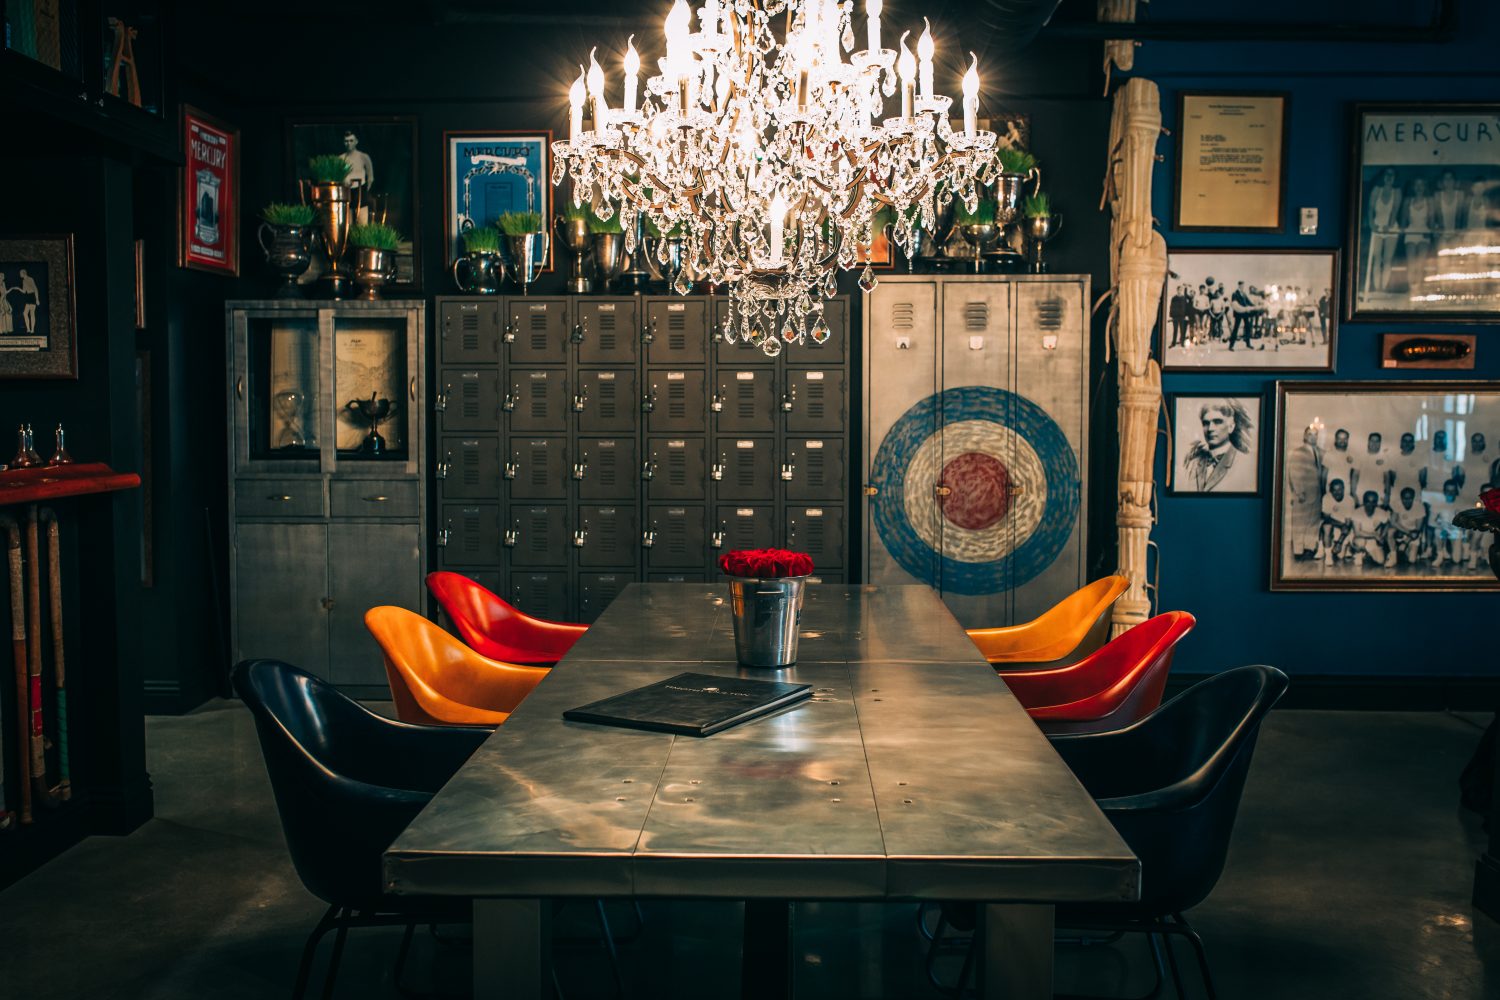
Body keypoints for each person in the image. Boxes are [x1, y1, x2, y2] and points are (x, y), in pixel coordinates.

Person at [1182, 399, 1256, 493]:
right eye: (1206, 423)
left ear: (1231, 427)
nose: (1210, 429)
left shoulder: (1245, 464)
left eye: (1217, 422)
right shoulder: (1193, 465)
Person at [1285, 423, 1325, 559]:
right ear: (1304, 436)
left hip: (1317, 494)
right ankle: (1298, 552)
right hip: (1303, 494)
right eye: (1310, 435)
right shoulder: (1299, 452)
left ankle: (1309, 549)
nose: (1313, 438)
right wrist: (1299, 492)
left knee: (1313, 523)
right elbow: (1294, 472)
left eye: (1315, 435)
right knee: (1300, 523)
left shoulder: (1319, 452)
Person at [1365, 168, 1403, 295]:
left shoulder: (1397, 192)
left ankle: (1384, 288)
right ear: (1383, 176)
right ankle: (1377, 288)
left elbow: (1395, 210)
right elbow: (1370, 209)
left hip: (1391, 227)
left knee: (1387, 260)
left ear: (1395, 177)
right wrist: (1372, 224)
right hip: (1377, 226)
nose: (1389, 177)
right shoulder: (1376, 190)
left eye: (1392, 175)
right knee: (1377, 259)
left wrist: (1389, 225)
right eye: (1387, 174)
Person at [1401, 176, 1434, 292]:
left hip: (1424, 232)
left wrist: (1431, 230)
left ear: (1425, 187)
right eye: (1417, 185)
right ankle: (1411, 289)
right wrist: (1402, 229)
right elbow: (1403, 221)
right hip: (1411, 232)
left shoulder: (1429, 201)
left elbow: (1431, 221)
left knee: (1420, 264)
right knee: (1411, 263)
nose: (1419, 187)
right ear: (1413, 187)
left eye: (1422, 185)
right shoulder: (1408, 201)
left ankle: (1418, 290)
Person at [1349, 489, 1392, 568]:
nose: (1370, 505)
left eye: (1373, 502)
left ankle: (1367, 553)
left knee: (1380, 561)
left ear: (1376, 503)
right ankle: (1358, 554)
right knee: (1361, 541)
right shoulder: (1357, 512)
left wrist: (1382, 535)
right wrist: (1375, 535)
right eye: (1368, 502)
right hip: (1360, 538)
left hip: (1373, 540)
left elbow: (1387, 524)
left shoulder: (1381, 512)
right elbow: (1357, 532)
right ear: (1364, 502)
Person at [1388, 486, 1430, 565]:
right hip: (1401, 530)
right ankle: (1393, 555)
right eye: (1404, 498)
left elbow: (1417, 530)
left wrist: (1405, 542)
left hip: (1413, 534)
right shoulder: (1397, 504)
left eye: (1410, 498)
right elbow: (1393, 522)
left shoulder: (1420, 507)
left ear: (1413, 498)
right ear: (1401, 498)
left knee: (1412, 560)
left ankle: (1405, 549)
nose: (1407, 501)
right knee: (1390, 531)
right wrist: (1406, 532)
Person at [1350, 431, 1392, 506]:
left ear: (1380, 443)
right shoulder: (1360, 457)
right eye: (1372, 441)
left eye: (1377, 441)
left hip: (1379, 495)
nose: (1374, 443)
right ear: (1368, 442)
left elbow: (1387, 478)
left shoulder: (1385, 458)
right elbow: (1355, 476)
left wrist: (1387, 495)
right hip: (1361, 495)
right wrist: (1353, 494)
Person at [1320, 477, 1355, 565]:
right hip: (1333, 524)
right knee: (1326, 526)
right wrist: (1340, 524)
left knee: (1340, 556)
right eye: (1334, 490)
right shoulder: (1326, 498)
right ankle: (1328, 556)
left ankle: (1342, 545)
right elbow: (1326, 518)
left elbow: (1348, 524)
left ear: (1344, 489)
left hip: (1344, 529)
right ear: (1330, 491)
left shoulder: (1350, 500)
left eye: (1339, 490)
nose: (1337, 493)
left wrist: (1339, 543)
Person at [1390, 432, 1425, 501]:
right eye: (1405, 441)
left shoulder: (1419, 458)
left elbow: (1422, 479)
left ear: (1413, 443)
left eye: (1410, 441)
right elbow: (1392, 479)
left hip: (1415, 491)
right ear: (1401, 442)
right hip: (1398, 491)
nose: (1407, 443)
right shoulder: (1395, 458)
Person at [1323, 427, 1356, 495]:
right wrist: (1323, 491)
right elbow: (1324, 475)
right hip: (1331, 491)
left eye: (1344, 439)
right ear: (1336, 439)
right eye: (1340, 438)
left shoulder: (1352, 455)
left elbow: (1354, 476)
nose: (1342, 441)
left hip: (1346, 491)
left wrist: (1352, 493)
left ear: (1347, 440)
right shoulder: (1329, 453)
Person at [1228, 280, 1255, 351]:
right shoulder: (1235, 294)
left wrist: (1255, 307)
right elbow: (1234, 304)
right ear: (1239, 285)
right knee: (1236, 328)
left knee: (1247, 327)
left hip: (1245, 313)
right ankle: (1231, 346)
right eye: (1242, 285)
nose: (1243, 287)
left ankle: (1248, 344)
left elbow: (1249, 302)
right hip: (1238, 313)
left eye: (1243, 285)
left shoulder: (1244, 293)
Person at [18, 268, 38, 335]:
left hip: (32, 297)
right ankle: (28, 329)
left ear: (24, 273)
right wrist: (17, 288)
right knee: (25, 313)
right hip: (28, 297)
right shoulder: (23, 280)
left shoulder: (30, 279)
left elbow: (35, 289)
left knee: (32, 314)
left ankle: (32, 329)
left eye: (20, 273)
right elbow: (24, 291)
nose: (19, 274)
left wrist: (37, 299)